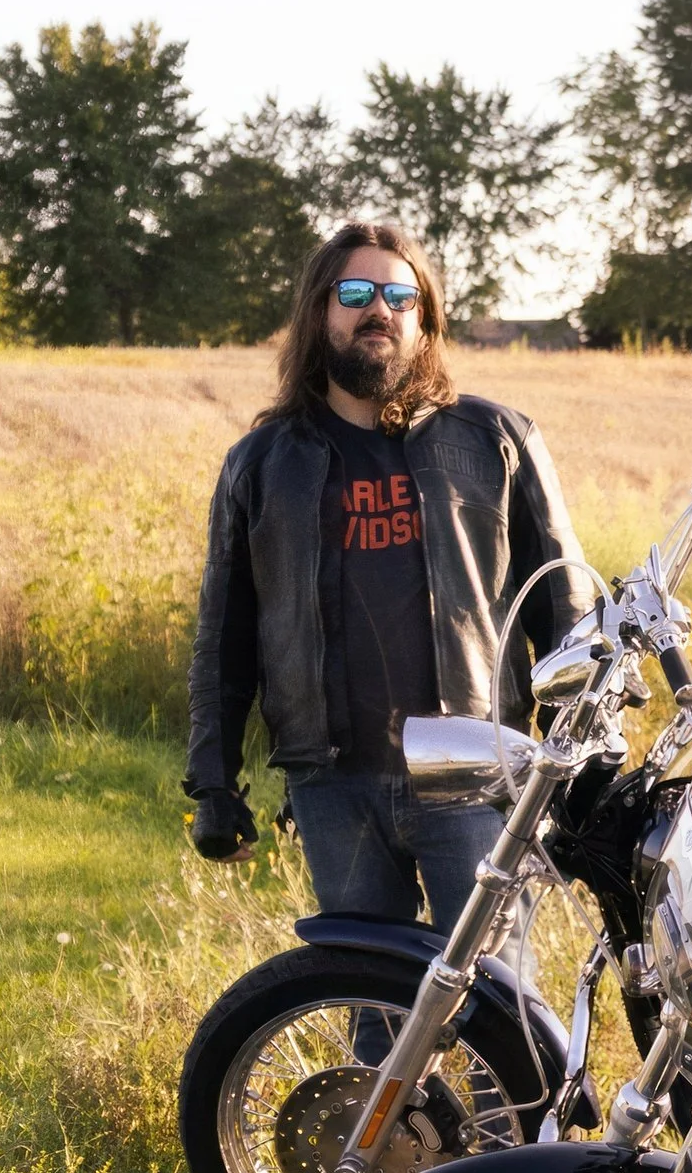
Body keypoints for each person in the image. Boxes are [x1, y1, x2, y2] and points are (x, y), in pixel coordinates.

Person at [184, 221, 600, 924]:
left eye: (399, 296)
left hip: (475, 769)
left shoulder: (497, 440)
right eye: (355, 292)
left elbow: (567, 604)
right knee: (372, 1003)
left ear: (424, 319)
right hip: (333, 785)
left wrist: (570, 754)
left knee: (496, 999)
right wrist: (213, 784)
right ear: (320, 312)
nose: (379, 308)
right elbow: (224, 635)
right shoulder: (260, 465)